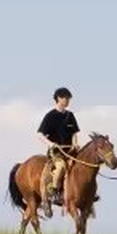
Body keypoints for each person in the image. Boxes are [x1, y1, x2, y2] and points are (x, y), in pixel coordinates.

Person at [36, 86, 81, 217]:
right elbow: (39, 135)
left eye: (69, 99)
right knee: (61, 166)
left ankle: (87, 193)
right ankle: (54, 191)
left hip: (70, 150)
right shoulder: (50, 116)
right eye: (65, 98)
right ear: (58, 99)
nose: (67, 101)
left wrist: (75, 143)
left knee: (82, 166)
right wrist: (51, 144)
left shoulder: (70, 115)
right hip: (56, 151)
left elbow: (75, 133)